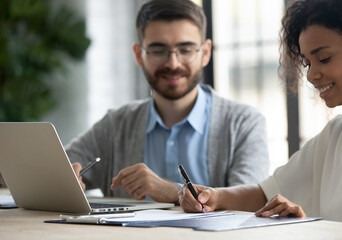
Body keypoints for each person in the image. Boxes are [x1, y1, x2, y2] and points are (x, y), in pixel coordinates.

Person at [178, 0, 342, 233]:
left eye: (324, 58)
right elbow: (267, 193)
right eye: (308, 63)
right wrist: (214, 196)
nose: (310, 76)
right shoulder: (336, 132)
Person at [67, 0, 269, 203]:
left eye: (185, 50)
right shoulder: (116, 124)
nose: (173, 63)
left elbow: (252, 202)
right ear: (139, 55)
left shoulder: (244, 123)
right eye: (158, 50)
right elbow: (56, 166)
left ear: (205, 53)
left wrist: (172, 191)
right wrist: (65, 175)